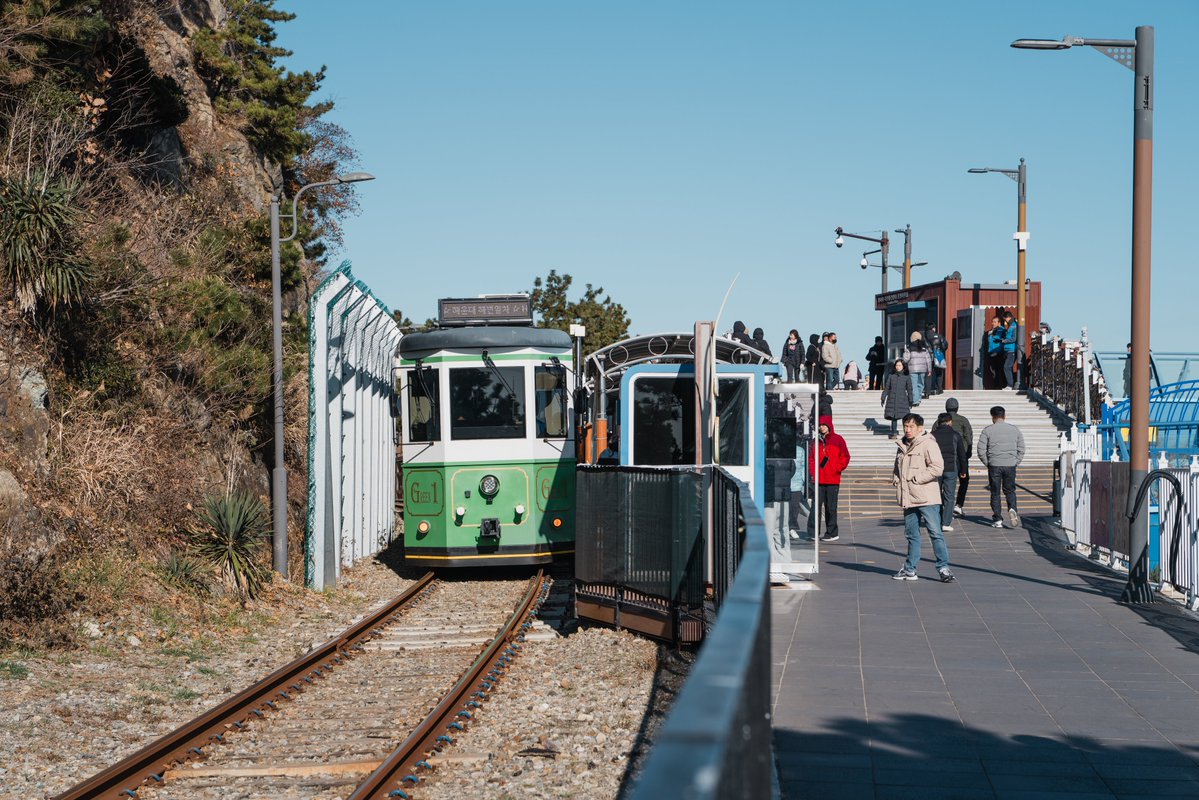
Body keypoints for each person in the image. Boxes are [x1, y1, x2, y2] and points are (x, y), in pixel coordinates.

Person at [892, 413, 955, 582]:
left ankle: (943, 568)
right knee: (912, 535)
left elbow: (937, 468)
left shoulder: (928, 444)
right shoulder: (902, 445)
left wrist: (917, 479)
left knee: (935, 533)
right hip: (908, 497)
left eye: (911, 426)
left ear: (920, 428)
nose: (908, 429)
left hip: (927, 498)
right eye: (905, 426)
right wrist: (896, 478)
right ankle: (909, 569)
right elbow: (898, 467)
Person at [977, 405, 1025, 528]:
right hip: (1010, 464)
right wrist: (1015, 462)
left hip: (994, 464)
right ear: (1004, 416)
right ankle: (1012, 508)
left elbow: (981, 450)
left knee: (995, 492)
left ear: (992, 417)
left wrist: (988, 463)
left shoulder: (987, 430)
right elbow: (1021, 449)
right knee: (1010, 490)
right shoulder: (1014, 430)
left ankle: (997, 519)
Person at [808, 415, 850, 542]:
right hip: (818, 480)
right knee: (815, 507)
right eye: (820, 425)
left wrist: (836, 468)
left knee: (830, 507)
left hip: (832, 479)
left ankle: (832, 532)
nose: (822, 427)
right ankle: (813, 532)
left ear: (829, 426)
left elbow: (845, 456)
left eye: (824, 425)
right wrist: (813, 472)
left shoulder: (838, 439)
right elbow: (811, 459)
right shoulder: (816, 441)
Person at [932, 412, 968, 531]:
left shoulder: (932, 435)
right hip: (951, 468)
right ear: (950, 422)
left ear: (939, 422)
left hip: (936, 469)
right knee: (949, 496)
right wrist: (963, 470)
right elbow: (962, 455)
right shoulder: (955, 435)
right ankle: (946, 522)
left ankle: (936, 519)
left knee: (936, 495)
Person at [945, 397, 974, 516]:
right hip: (961, 456)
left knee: (944, 482)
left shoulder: (940, 420)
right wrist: (969, 452)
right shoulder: (963, 420)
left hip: (945, 456)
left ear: (946, 408)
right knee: (964, 480)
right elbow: (969, 437)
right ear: (957, 408)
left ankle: (945, 505)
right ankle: (959, 505)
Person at [881, 359, 912, 439]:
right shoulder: (891, 376)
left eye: (900, 365)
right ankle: (893, 433)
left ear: (903, 367)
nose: (898, 367)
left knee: (905, 418)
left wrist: (911, 400)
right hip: (892, 399)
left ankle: (906, 433)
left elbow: (909, 389)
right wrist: (883, 398)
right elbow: (887, 388)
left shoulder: (907, 377)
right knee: (893, 417)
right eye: (897, 365)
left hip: (903, 400)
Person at [903, 331, 931, 405]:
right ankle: (918, 399)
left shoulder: (909, 347)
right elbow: (928, 359)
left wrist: (904, 352)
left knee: (914, 385)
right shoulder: (924, 347)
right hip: (923, 369)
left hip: (913, 369)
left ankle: (915, 401)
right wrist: (929, 369)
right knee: (921, 384)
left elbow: (906, 359)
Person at [986, 315, 1006, 389]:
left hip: (998, 352)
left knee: (999, 370)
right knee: (993, 370)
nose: (993, 323)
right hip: (991, 352)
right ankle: (996, 386)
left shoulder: (1002, 330)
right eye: (992, 322)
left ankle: (1003, 385)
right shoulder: (991, 331)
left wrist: (993, 335)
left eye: (995, 322)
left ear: (999, 323)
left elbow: (1003, 339)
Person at [1001, 312, 1018, 389]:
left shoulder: (1014, 325)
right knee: (1009, 367)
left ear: (1008, 317)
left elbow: (1014, 338)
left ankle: (1010, 385)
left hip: (1012, 350)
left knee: (1007, 367)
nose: (1005, 321)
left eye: (1005, 319)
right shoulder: (1010, 326)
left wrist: (1004, 341)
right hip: (1007, 350)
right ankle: (1010, 384)